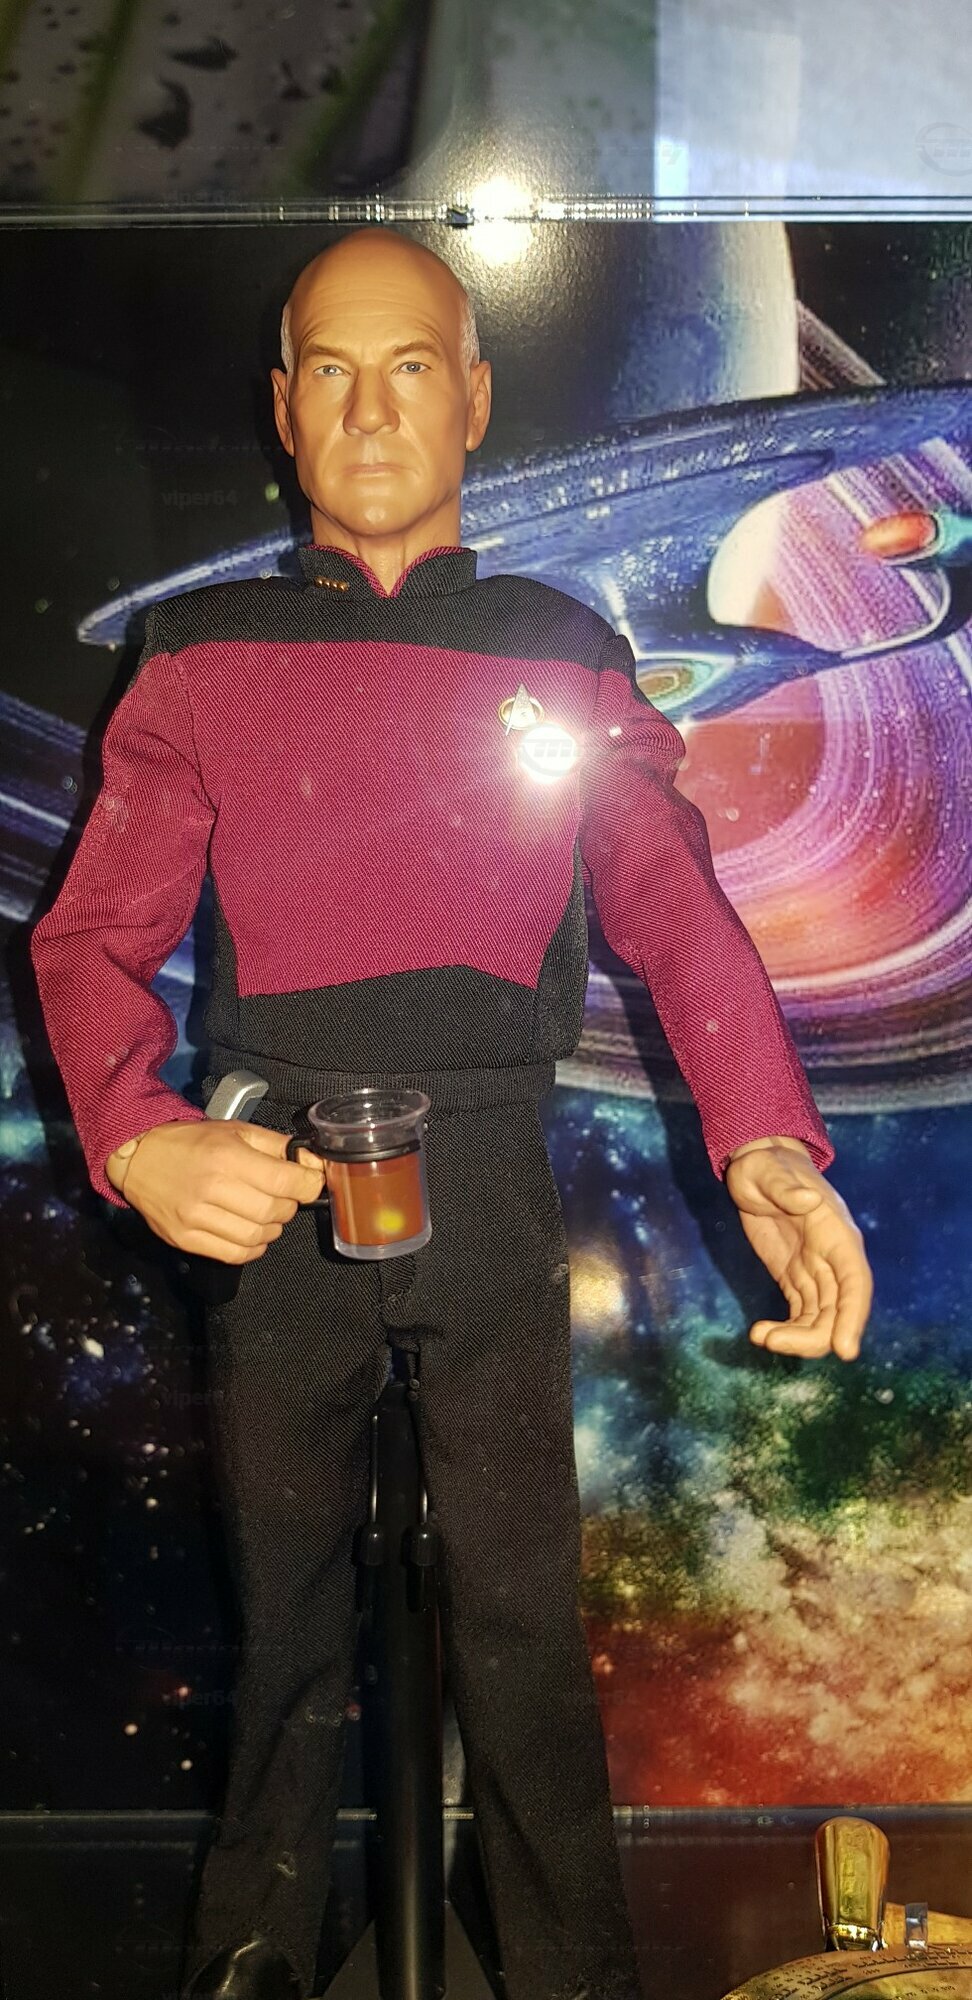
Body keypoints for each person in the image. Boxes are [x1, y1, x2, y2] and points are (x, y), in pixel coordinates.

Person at [31, 227, 872, 2000]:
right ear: (280, 408)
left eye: (411, 366)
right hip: (274, 1180)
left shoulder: (561, 651)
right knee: (283, 1622)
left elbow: (673, 904)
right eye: (332, 372)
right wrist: (136, 1131)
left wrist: (767, 1137)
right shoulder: (200, 655)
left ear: (476, 398)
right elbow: (92, 937)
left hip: (483, 1175)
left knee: (520, 1623)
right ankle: (252, 1954)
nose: (371, 410)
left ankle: (570, 1970)